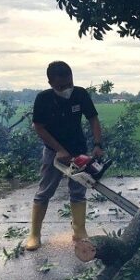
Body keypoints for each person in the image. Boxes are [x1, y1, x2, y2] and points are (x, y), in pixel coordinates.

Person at [26, 61, 104, 251]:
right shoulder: (43, 99)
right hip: (54, 153)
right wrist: (59, 149)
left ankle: (79, 231)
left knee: (78, 191)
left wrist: (97, 144)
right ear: (51, 82)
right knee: (45, 191)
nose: (67, 89)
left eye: (69, 84)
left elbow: (93, 118)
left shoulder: (80, 94)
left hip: (78, 150)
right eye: (61, 86)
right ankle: (34, 234)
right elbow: (39, 127)